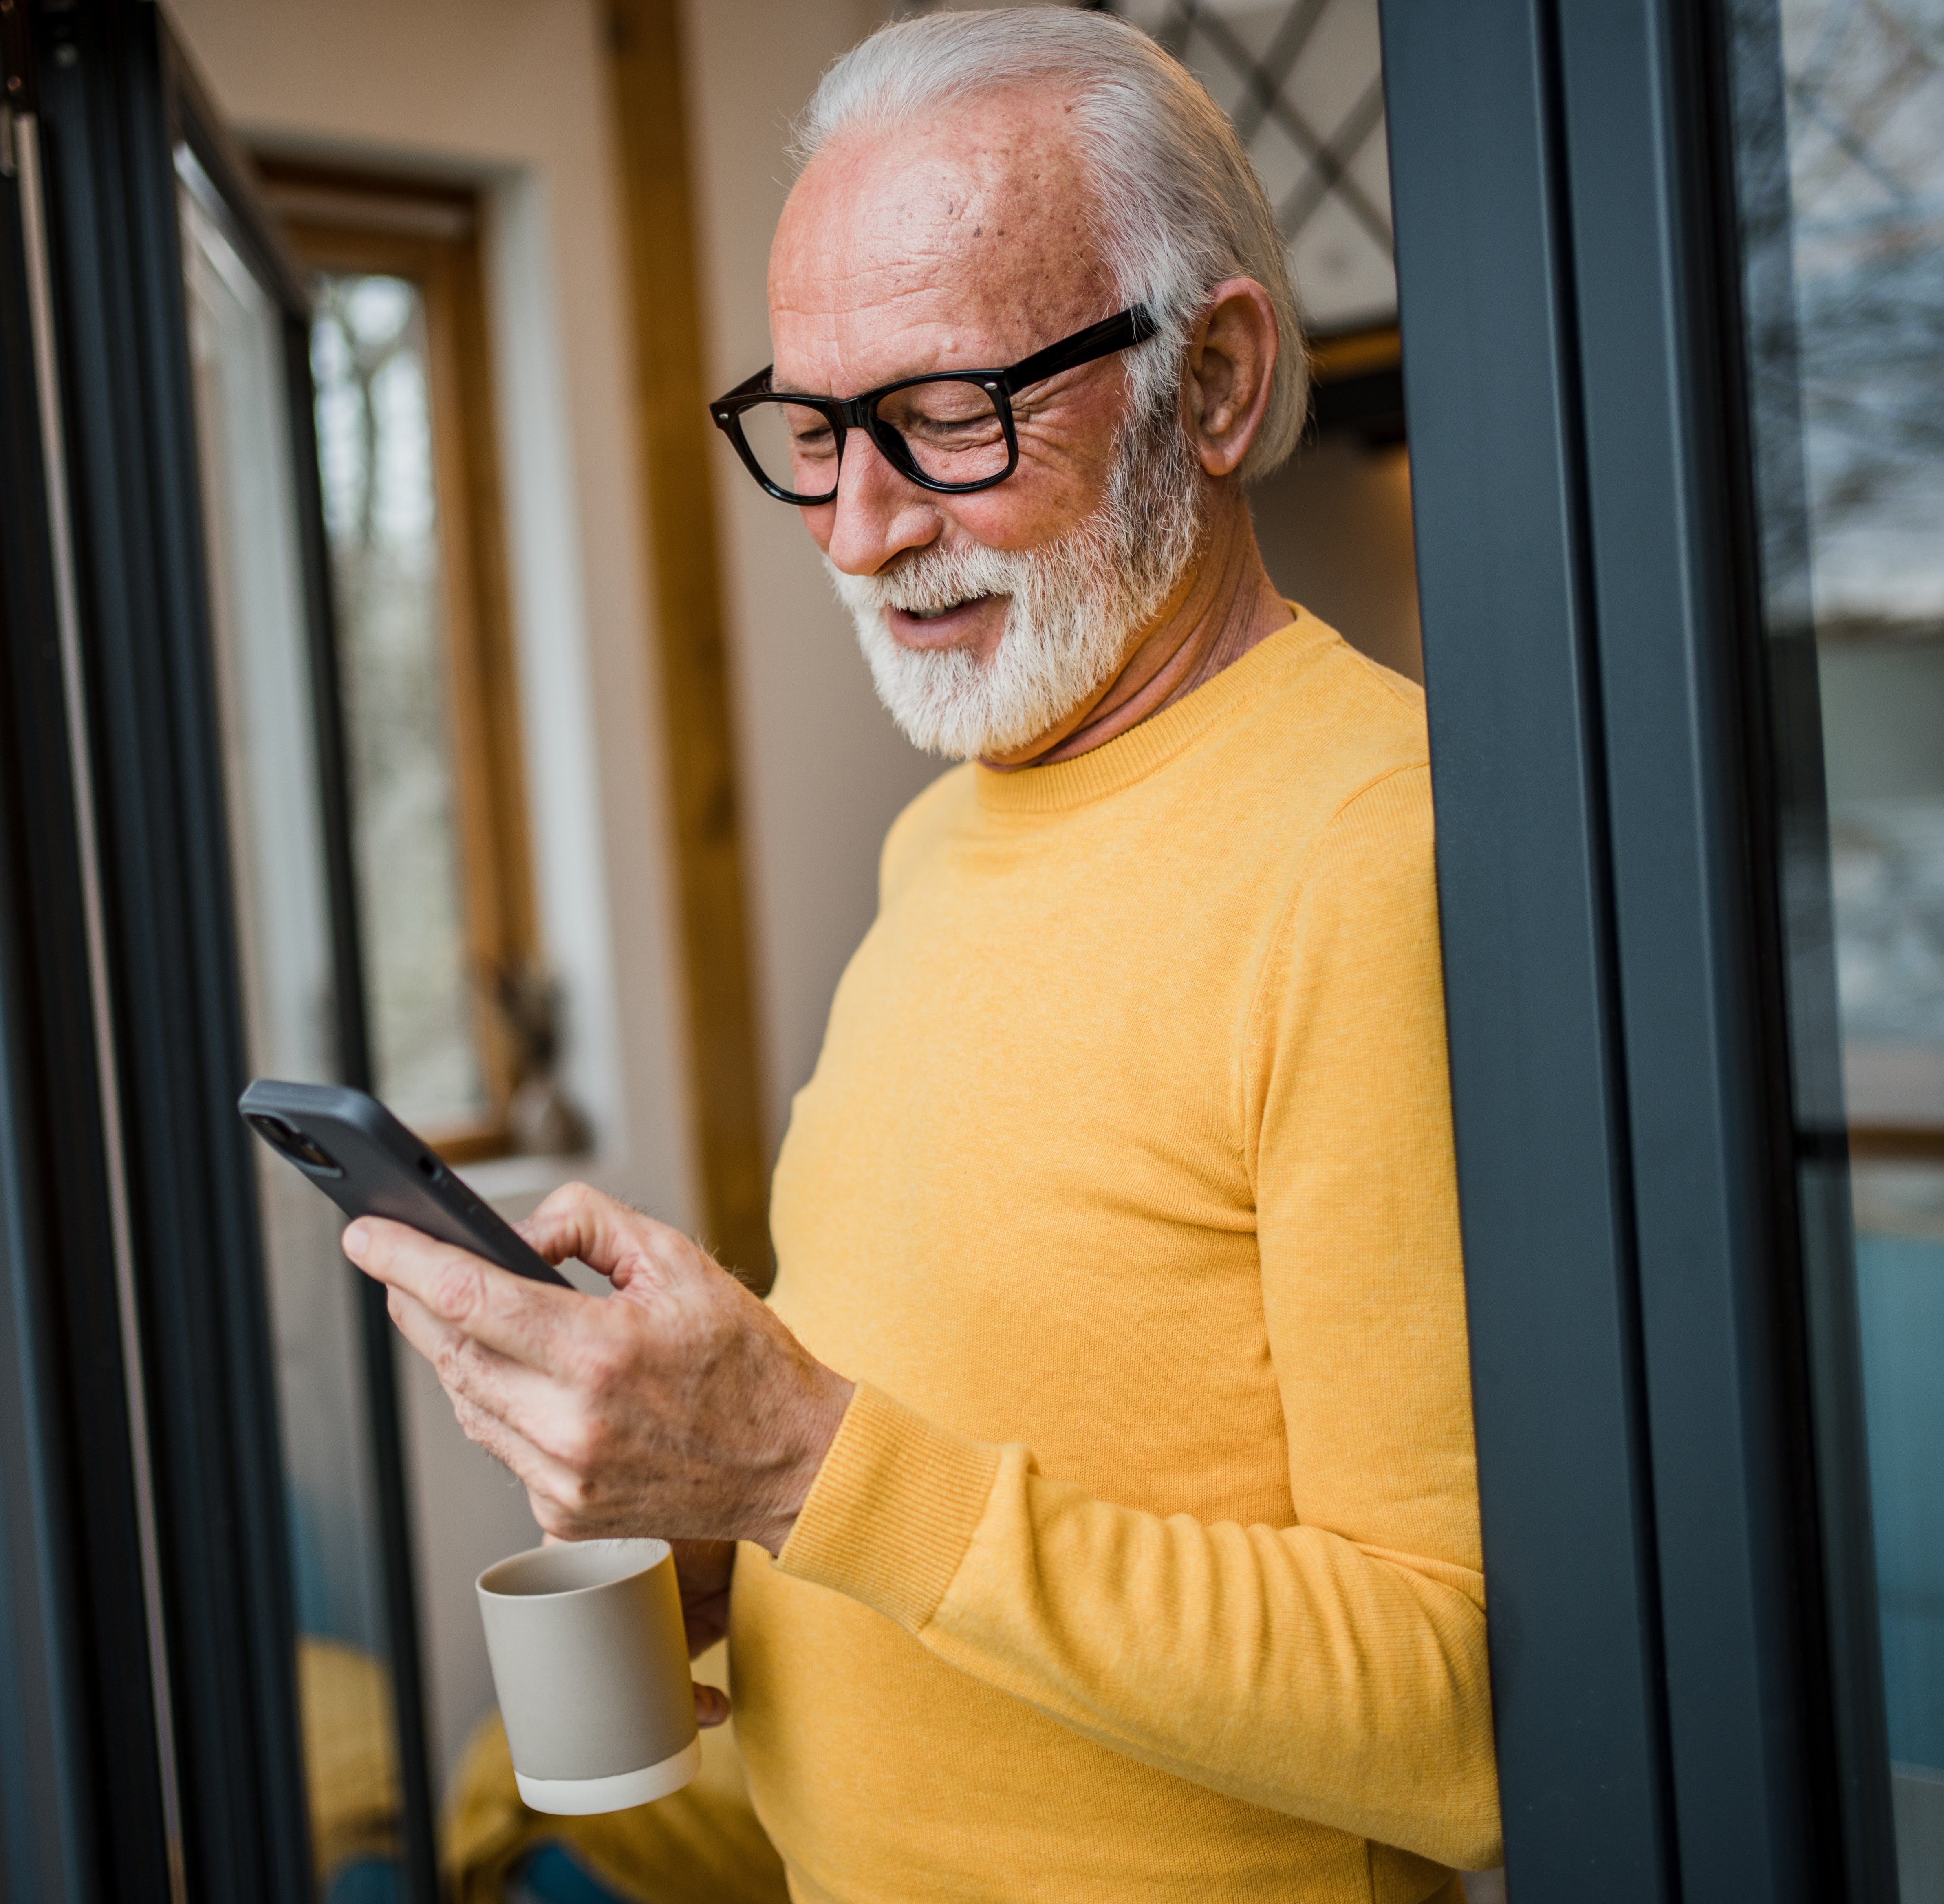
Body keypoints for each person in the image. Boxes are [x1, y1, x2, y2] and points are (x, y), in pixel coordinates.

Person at [342, 11, 1499, 1900]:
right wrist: (698, 1502)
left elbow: (1465, 1721)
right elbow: (947, 1501)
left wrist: (802, 1460)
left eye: (950, 414)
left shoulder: (1379, 849)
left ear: (1210, 382)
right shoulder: (941, 839)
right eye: (811, 428)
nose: (861, 529)